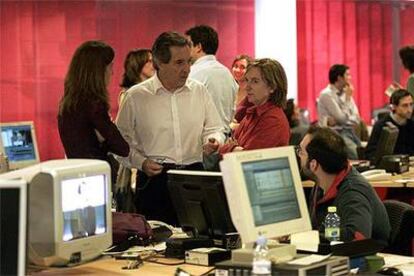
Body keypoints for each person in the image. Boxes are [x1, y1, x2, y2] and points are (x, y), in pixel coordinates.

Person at [116, 32, 224, 225]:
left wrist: (214, 140)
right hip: (154, 181)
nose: (187, 69)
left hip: (194, 176)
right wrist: (141, 163)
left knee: (198, 242)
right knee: (156, 248)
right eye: (179, 63)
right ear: (159, 63)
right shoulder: (136, 96)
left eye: (189, 62)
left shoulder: (199, 91)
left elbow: (215, 128)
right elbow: (119, 144)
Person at [296, 126, 390, 246]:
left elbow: (357, 237)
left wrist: (312, 237)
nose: (298, 156)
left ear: (313, 165)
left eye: (301, 152)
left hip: (365, 259)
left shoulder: (352, 193)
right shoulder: (322, 183)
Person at [58, 40, 130, 183]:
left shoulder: (67, 104)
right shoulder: (95, 106)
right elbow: (122, 148)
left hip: (78, 178)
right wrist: (104, 141)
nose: (112, 73)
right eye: (110, 67)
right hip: (98, 179)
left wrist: (102, 138)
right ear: (99, 71)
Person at [219, 58, 290, 155]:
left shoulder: (273, 120)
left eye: (255, 81)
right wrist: (234, 148)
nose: (247, 87)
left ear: (272, 87)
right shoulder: (253, 113)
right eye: (247, 80)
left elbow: (247, 159)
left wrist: (231, 148)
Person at [117, 48, 154, 212]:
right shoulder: (129, 95)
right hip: (136, 160)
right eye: (149, 61)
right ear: (137, 65)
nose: (154, 64)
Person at [185, 25, 238, 136]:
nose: (185, 50)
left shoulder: (192, 73)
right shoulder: (228, 73)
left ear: (198, 47)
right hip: (224, 139)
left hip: (203, 142)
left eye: (188, 45)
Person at [317, 64, 361, 159]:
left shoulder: (345, 92)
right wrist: (348, 99)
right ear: (339, 78)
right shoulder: (326, 95)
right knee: (356, 155)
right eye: (347, 75)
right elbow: (342, 119)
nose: (350, 77)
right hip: (333, 134)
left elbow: (357, 117)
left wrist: (342, 120)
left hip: (348, 131)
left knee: (363, 153)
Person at [365, 89, 414, 160]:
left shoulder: (411, 124)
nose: (409, 110)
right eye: (405, 106)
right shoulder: (381, 125)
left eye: (411, 104)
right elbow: (369, 154)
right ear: (394, 107)